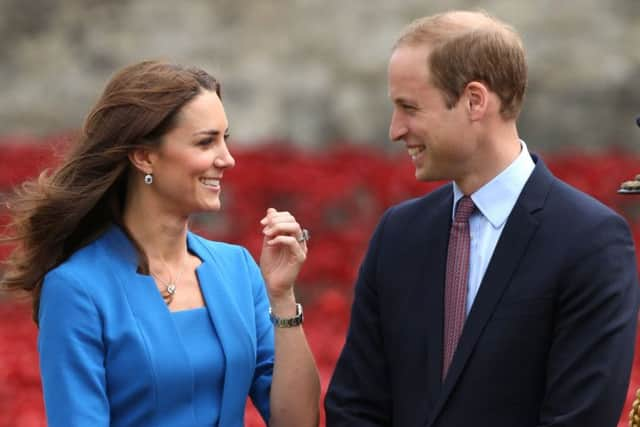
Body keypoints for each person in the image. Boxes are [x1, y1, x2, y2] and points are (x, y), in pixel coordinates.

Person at [325, 10, 639, 427]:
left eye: (409, 107)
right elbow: (353, 407)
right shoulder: (397, 235)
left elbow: (579, 416)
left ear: (475, 100)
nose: (395, 129)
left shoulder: (590, 241)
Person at [0, 60, 320, 427]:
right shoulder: (77, 289)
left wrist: (282, 298)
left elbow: (298, 422)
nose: (226, 159)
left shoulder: (237, 269)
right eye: (206, 142)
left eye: (224, 139)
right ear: (144, 156)